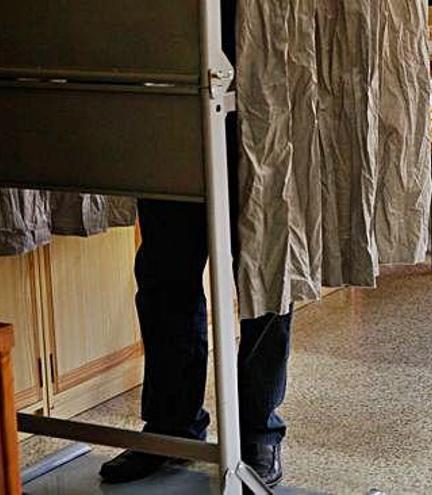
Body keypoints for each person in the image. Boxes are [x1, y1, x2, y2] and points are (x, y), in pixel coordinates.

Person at [98, 0, 291, 487]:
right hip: (173, 106)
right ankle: (170, 429)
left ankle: (258, 436)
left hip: (258, 105)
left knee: (264, 279)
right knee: (164, 275)